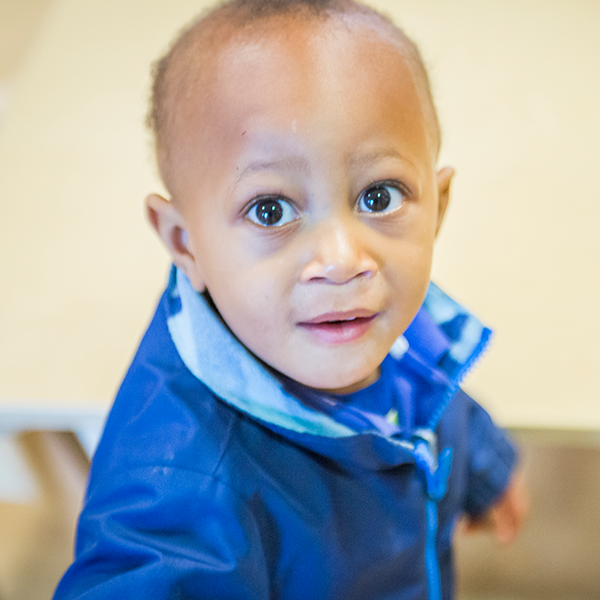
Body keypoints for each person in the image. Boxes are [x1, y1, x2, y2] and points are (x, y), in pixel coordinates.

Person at [54, 0, 527, 598]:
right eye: (270, 210)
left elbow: (421, 379)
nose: (341, 258)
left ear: (438, 208)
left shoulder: (379, 315)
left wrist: (483, 463)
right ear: (185, 241)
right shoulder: (181, 493)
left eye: (378, 197)